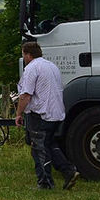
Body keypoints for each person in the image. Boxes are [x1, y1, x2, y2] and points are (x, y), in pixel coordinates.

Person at [15, 41, 80, 190]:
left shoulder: (32, 68)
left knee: (38, 148)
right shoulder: (51, 66)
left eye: (24, 54)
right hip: (56, 112)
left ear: (28, 54)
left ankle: (45, 182)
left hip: (40, 114)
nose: (24, 58)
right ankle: (69, 171)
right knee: (49, 144)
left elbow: (26, 95)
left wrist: (18, 114)